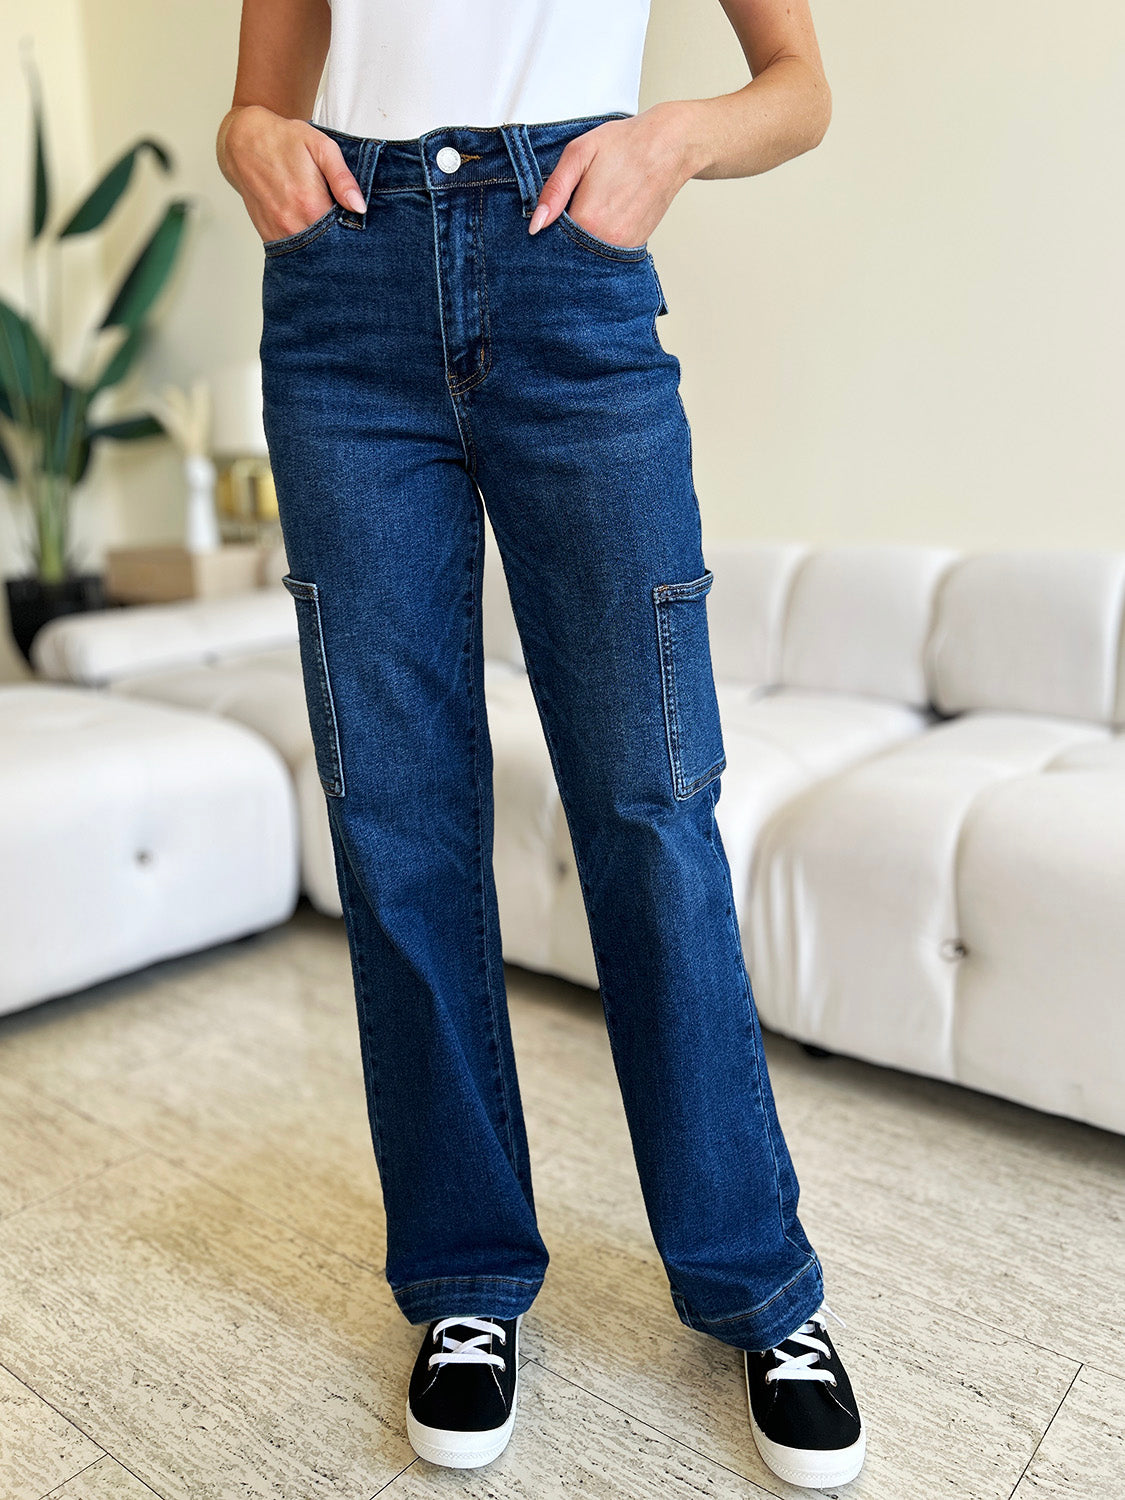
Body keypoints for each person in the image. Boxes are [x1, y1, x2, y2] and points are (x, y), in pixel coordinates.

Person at [216, 0, 865, 1487]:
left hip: (570, 267)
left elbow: (799, 90)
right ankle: (459, 1281)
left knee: (647, 801)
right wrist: (254, 141)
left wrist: (672, 142)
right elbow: (257, 100)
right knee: (394, 818)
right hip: (344, 298)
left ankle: (755, 1284)